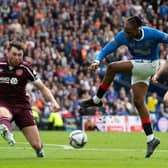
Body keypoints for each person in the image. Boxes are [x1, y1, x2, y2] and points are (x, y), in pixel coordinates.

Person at [80, 16, 168, 158]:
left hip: (151, 65)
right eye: (125, 31)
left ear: (138, 30)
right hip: (139, 66)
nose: (126, 35)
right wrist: (97, 60)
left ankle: (97, 100)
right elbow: (109, 47)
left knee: (112, 67)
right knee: (138, 102)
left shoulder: (153, 34)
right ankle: (151, 139)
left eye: (129, 32)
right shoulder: (124, 35)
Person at [0, 41, 60, 157]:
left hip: (21, 106)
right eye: (14, 54)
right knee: (3, 112)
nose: (17, 57)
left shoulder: (25, 68)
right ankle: (7, 131)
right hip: (3, 103)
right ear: (7, 53)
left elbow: (42, 87)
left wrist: (53, 102)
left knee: (36, 145)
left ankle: (39, 151)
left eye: (20, 55)